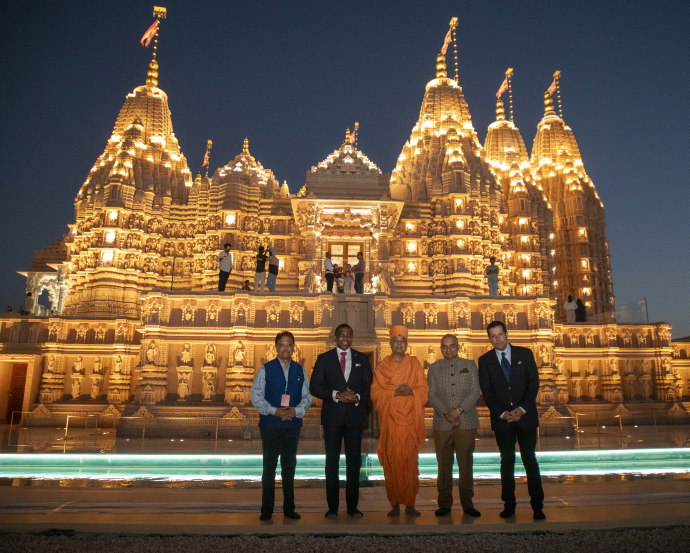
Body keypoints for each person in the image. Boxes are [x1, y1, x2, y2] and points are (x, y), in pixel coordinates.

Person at [477, 321, 545, 520]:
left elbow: (533, 384)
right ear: (489, 338)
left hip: (526, 418)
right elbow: (487, 391)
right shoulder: (485, 360)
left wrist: (523, 409)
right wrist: (502, 413)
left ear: (507, 334)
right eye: (493, 336)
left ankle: (537, 506)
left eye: (500, 334)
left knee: (529, 460)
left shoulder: (525, 354)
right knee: (506, 462)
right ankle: (509, 504)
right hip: (502, 420)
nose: (497, 339)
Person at [310, 323, 373, 519]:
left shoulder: (362, 359)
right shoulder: (324, 359)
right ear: (335, 337)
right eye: (341, 334)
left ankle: (353, 507)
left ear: (352, 337)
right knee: (332, 463)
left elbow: (369, 387)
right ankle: (333, 508)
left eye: (349, 334)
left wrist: (357, 397)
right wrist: (336, 394)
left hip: (354, 418)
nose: (345, 337)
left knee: (354, 464)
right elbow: (315, 387)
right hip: (332, 418)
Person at [250, 331, 313, 521]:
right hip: (270, 424)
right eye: (282, 345)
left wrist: (296, 411)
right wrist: (273, 410)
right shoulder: (265, 369)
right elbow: (256, 395)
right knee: (269, 467)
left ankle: (289, 508)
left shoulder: (300, 370)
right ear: (276, 347)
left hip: (292, 425)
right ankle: (266, 509)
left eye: (289, 345)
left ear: (294, 347)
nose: (286, 348)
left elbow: (307, 397)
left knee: (289, 466)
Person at [371, 325, 429, 517]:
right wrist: (395, 391)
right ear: (390, 344)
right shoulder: (382, 366)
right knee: (391, 462)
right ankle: (394, 503)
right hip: (391, 423)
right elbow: (375, 392)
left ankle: (410, 503)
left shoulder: (414, 364)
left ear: (406, 344)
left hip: (410, 423)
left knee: (411, 463)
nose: (399, 344)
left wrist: (411, 391)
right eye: (395, 341)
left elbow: (423, 390)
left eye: (402, 341)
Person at [427, 334, 481, 518]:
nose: (448, 349)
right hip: (442, 422)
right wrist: (447, 413)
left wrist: (458, 410)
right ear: (440, 348)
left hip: (466, 421)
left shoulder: (470, 365)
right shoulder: (433, 368)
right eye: (444, 346)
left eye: (452, 346)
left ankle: (467, 503)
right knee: (443, 464)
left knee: (466, 463)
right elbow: (431, 394)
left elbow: (475, 391)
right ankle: (444, 503)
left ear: (458, 347)